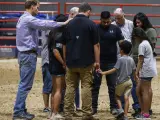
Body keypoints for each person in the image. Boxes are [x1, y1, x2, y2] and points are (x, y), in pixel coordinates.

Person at [13, 0, 71, 119]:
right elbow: (44, 24)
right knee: (25, 85)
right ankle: (18, 111)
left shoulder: (22, 18)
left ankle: (21, 109)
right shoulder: (28, 19)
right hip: (28, 55)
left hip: (25, 54)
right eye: (37, 8)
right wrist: (63, 23)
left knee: (24, 83)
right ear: (32, 7)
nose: (38, 10)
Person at [62, 2, 100, 120]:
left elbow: (64, 45)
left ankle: (67, 113)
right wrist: (97, 61)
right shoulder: (91, 24)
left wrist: (65, 60)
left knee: (70, 87)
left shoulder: (69, 24)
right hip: (86, 62)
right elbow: (96, 45)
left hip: (70, 61)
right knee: (86, 87)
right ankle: (86, 113)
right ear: (88, 11)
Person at [92, 11, 124, 115]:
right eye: (104, 22)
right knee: (95, 86)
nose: (106, 24)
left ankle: (113, 107)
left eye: (108, 21)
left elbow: (121, 42)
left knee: (112, 87)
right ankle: (94, 108)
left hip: (112, 62)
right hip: (98, 62)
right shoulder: (95, 29)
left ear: (110, 19)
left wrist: (124, 55)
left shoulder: (115, 29)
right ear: (100, 19)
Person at [112, 8, 140, 115]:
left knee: (132, 81)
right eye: (116, 18)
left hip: (130, 57)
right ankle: (122, 107)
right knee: (120, 81)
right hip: (118, 57)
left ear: (124, 15)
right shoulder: (113, 25)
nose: (117, 20)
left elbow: (135, 39)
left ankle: (136, 105)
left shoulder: (130, 24)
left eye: (119, 17)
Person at [100, 41, 135, 120]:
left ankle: (121, 110)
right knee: (126, 98)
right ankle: (125, 116)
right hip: (129, 82)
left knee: (117, 96)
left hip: (121, 82)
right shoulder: (131, 59)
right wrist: (136, 77)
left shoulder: (120, 59)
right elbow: (134, 71)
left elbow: (114, 69)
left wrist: (103, 72)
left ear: (121, 50)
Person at [132, 12, 157, 116]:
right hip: (144, 65)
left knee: (144, 90)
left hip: (144, 66)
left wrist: (137, 72)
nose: (137, 24)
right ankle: (144, 110)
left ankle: (145, 112)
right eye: (136, 23)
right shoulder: (143, 43)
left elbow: (142, 58)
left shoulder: (144, 43)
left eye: (138, 22)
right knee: (142, 89)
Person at [48, 14, 68, 120]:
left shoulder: (52, 33)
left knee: (54, 89)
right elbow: (56, 51)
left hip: (52, 65)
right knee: (59, 90)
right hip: (58, 65)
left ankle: (51, 112)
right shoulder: (60, 35)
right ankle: (55, 113)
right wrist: (63, 63)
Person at [41, 30, 52, 113]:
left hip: (49, 60)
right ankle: (46, 106)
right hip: (47, 61)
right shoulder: (48, 29)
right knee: (48, 84)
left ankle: (51, 106)